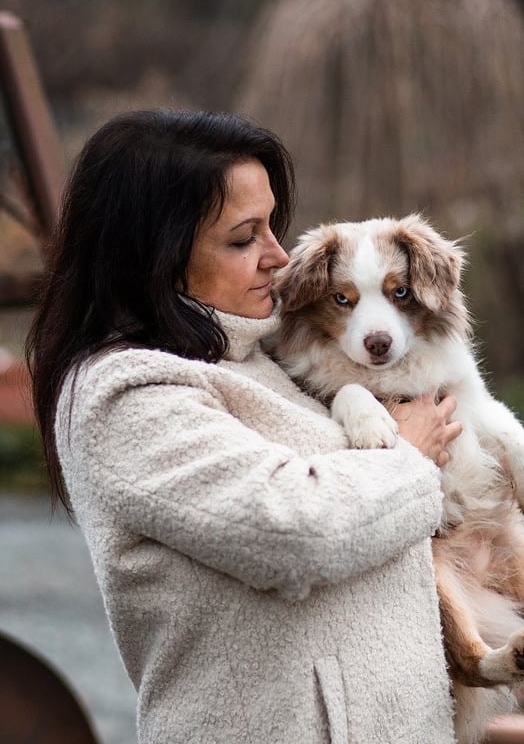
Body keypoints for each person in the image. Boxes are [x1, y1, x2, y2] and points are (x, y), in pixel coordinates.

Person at [26, 109, 462, 744]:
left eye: (273, 228)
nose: (279, 258)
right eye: (243, 239)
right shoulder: (125, 395)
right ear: (155, 256)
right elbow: (290, 529)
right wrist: (411, 459)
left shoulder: (270, 358)